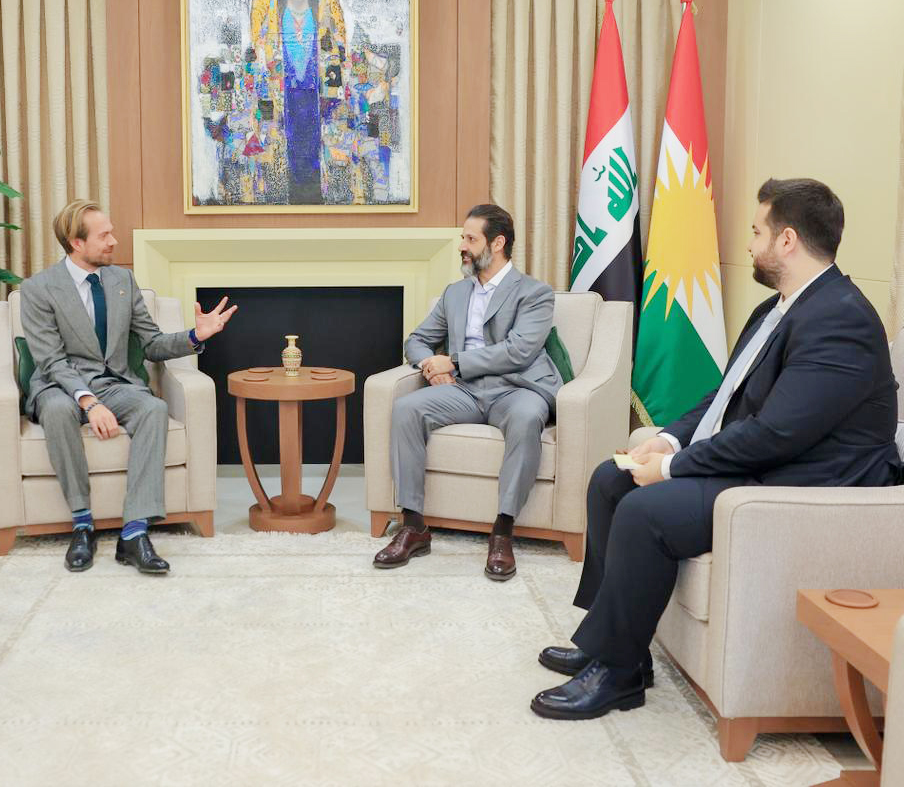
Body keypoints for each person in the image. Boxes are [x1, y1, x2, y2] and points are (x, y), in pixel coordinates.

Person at [531, 177, 901, 721]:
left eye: (756, 231)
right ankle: (611, 641)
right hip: (766, 463)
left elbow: (777, 434)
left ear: (787, 240)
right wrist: (668, 438)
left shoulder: (840, 318)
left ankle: (617, 674)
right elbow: (724, 395)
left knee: (645, 511)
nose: (748, 244)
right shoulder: (777, 308)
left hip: (799, 484)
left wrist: (672, 467)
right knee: (610, 478)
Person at [20, 199, 236, 574]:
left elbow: (151, 344)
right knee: (56, 410)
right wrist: (89, 403)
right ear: (76, 243)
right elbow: (52, 361)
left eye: (112, 233)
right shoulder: (39, 289)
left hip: (113, 382)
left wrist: (194, 336)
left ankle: (134, 533)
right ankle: (82, 524)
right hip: (60, 383)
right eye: (104, 235)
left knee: (153, 408)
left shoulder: (122, 281)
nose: (114, 241)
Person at [373, 204, 562, 579]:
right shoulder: (455, 293)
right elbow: (417, 341)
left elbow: (519, 351)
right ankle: (414, 526)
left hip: (517, 388)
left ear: (497, 243)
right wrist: (431, 367)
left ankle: (503, 531)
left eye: (470, 239)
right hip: (465, 391)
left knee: (527, 418)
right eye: (463, 237)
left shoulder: (535, 293)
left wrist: (453, 362)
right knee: (406, 409)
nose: (462, 245)